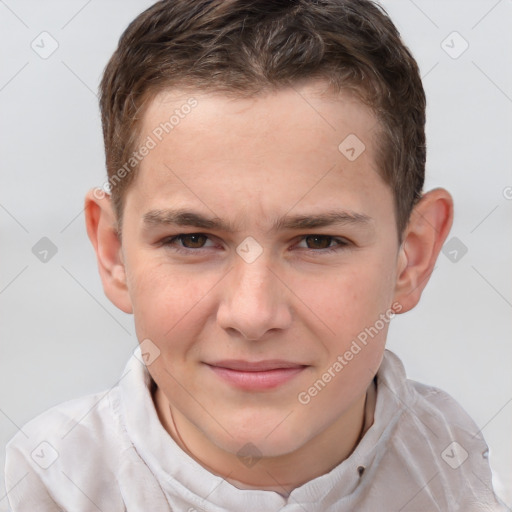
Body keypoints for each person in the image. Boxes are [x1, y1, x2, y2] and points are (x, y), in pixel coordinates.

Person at [4, 0, 507, 510]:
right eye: (192, 240)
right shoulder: (43, 487)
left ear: (412, 257)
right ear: (113, 252)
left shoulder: (463, 475)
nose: (252, 315)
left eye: (318, 241)